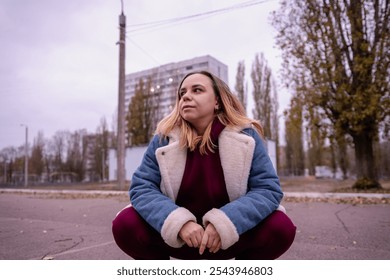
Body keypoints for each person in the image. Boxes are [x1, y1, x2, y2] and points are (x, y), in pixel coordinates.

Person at [112, 70, 296, 259]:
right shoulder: (163, 138)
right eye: (182, 93)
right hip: (179, 237)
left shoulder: (246, 137)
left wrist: (224, 224)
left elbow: (267, 189)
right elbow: (142, 188)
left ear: (217, 101)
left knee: (280, 227)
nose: (186, 97)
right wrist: (179, 223)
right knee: (126, 224)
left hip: (229, 237)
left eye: (197, 90)